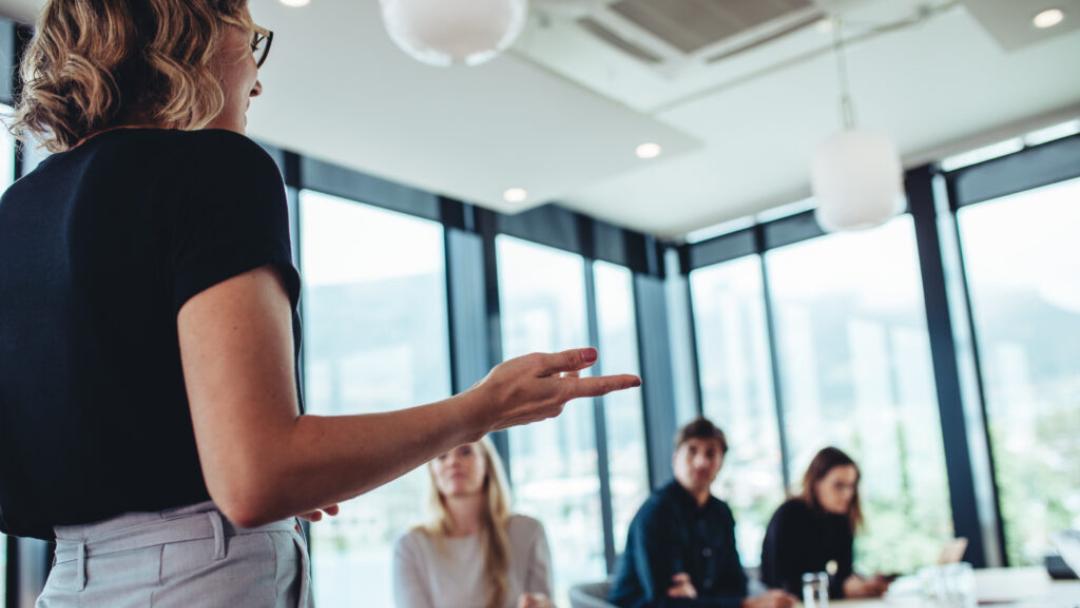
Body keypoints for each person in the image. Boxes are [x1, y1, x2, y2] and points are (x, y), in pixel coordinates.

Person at [0, 1, 640, 606]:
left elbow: (86, 447)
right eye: (251, 39)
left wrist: (249, 469)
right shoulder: (217, 169)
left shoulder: (18, 211)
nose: (256, 82)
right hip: (203, 577)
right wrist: (482, 409)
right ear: (188, 36)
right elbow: (257, 479)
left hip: (68, 580)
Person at [608, 418, 796, 608]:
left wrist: (698, 596)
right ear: (675, 459)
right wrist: (745, 604)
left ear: (721, 463)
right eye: (692, 451)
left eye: (711, 453)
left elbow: (736, 583)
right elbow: (661, 601)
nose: (701, 462)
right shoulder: (656, 513)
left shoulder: (720, 513)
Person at [393, 439, 553, 608]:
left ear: (487, 464)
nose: (453, 461)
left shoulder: (528, 531)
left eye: (465, 452)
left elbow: (542, 599)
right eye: (442, 456)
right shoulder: (410, 546)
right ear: (433, 471)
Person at [760, 447, 890, 599]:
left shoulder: (840, 518)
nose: (848, 494)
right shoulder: (789, 514)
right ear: (816, 483)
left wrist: (861, 584)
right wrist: (841, 588)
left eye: (852, 485)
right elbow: (784, 583)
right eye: (839, 485)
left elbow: (844, 572)